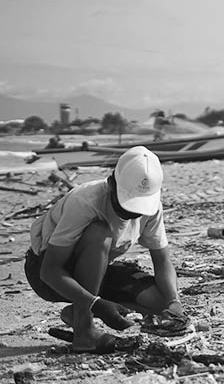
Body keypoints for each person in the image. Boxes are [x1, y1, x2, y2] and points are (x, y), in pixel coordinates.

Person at [24, 146, 187, 353]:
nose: (132, 213)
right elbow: (50, 271)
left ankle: (76, 312)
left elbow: (162, 260)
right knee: (100, 233)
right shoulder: (85, 201)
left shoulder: (152, 207)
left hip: (95, 270)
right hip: (48, 273)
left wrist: (174, 302)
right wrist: (96, 304)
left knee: (160, 302)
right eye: (127, 206)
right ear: (111, 184)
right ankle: (84, 331)